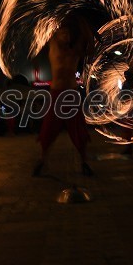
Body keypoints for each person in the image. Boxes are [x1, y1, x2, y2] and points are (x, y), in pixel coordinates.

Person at [33, 12, 95, 177]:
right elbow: (45, 27)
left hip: (72, 94)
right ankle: (42, 160)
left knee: (78, 129)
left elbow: (90, 44)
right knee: (48, 128)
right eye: (63, 33)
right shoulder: (53, 44)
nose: (66, 36)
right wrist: (59, 11)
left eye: (68, 34)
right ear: (57, 34)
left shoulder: (75, 51)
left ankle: (84, 162)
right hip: (56, 94)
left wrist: (83, 22)